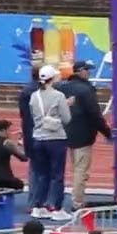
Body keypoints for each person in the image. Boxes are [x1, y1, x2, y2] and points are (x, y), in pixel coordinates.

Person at [57, 60, 110, 211]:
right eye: (87, 70)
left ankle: (73, 199)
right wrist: (106, 132)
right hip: (83, 134)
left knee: (75, 167)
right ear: (81, 71)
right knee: (81, 170)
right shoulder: (86, 90)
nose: (89, 73)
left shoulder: (61, 87)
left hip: (66, 131)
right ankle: (77, 202)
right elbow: (95, 114)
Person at [29, 65, 72, 219]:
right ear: (52, 78)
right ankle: (56, 208)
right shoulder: (59, 96)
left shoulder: (34, 96)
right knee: (57, 175)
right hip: (55, 139)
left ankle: (38, 206)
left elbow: (32, 115)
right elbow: (67, 118)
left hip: (38, 137)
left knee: (41, 174)